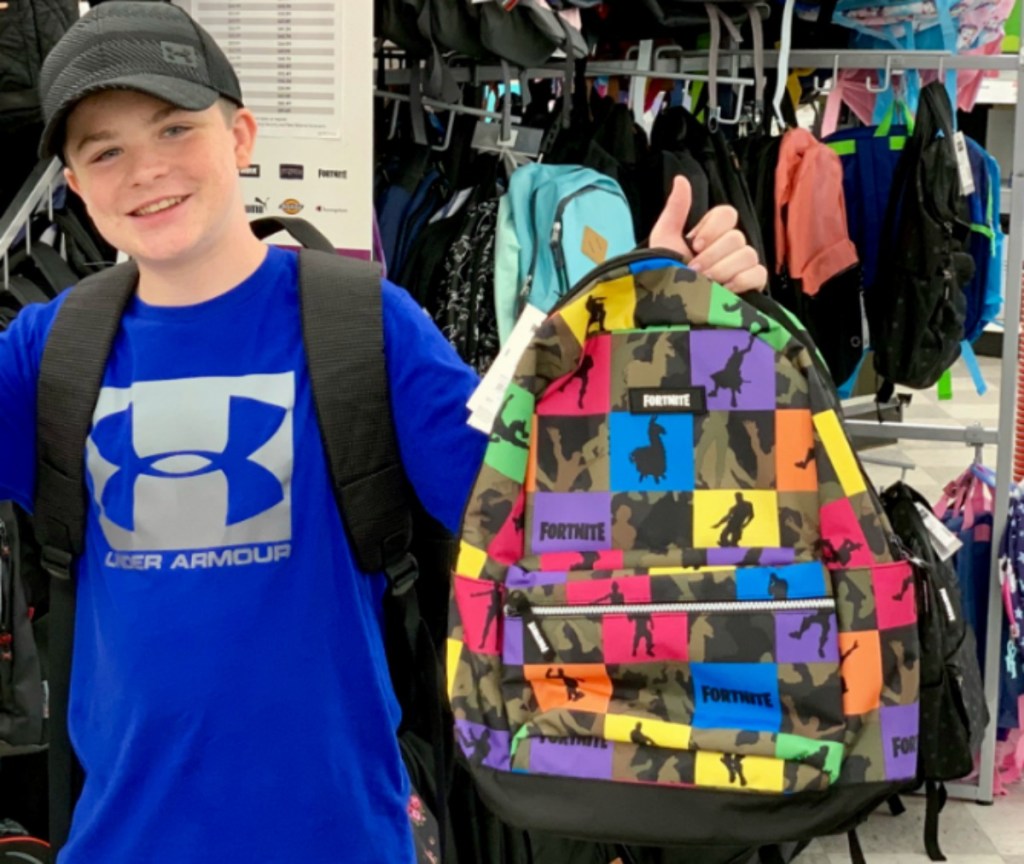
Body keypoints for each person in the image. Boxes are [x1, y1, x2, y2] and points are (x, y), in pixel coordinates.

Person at [0, 4, 769, 862]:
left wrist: (674, 339)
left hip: (342, 839)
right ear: (74, 186)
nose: (146, 170)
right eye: (105, 150)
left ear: (241, 135)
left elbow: (545, 506)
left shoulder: (364, 323)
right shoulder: (46, 355)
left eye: (176, 128)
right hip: (120, 843)